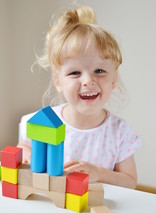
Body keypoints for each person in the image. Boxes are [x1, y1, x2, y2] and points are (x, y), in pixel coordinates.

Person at [18, 6, 141, 189]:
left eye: (99, 71)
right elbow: (22, 148)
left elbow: (130, 182)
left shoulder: (119, 132)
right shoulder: (42, 121)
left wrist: (99, 174)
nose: (88, 81)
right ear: (58, 81)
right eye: (75, 72)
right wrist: (25, 152)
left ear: (114, 78)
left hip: (96, 208)